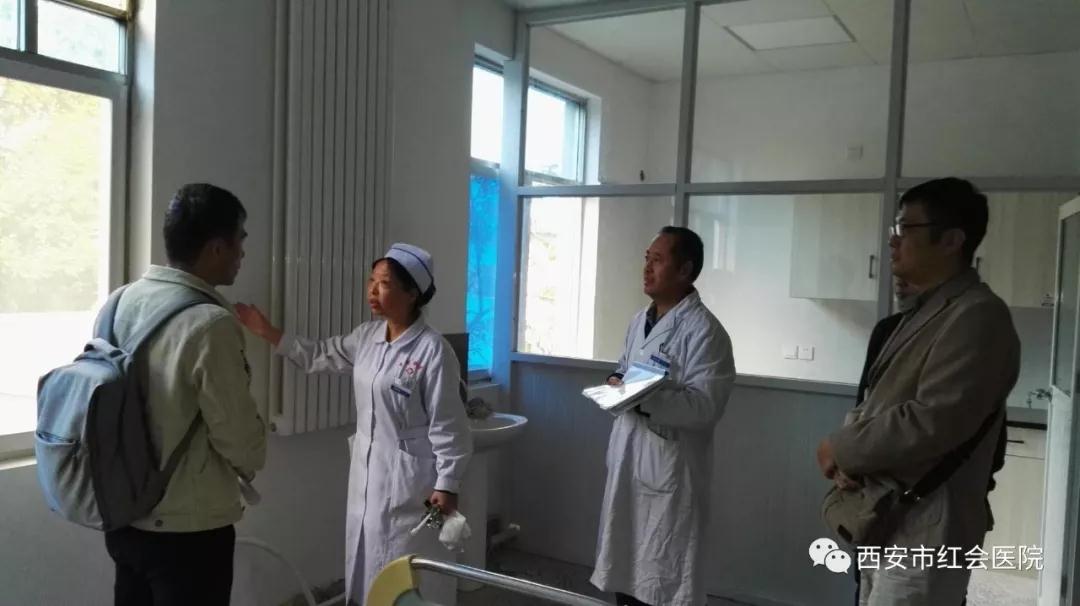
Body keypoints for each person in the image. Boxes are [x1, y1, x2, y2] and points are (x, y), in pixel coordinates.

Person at [816, 178, 1020, 606]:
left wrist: (842, 448)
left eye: (905, 228)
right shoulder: (923, 311)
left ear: (951, 241)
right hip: (887, 514)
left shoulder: (979, 315)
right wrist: (850, 459)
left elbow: (933, 420)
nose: (893, 241)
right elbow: (876, 398)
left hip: (926, 526)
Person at [236, 242, 472, 606]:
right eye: (371, 281)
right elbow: (318, 355)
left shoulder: (432, 351)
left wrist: (448, 483)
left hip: (414, 485)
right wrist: (268, 332)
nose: (372, 290)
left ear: (412, 293)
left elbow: (449, 426)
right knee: (366, 558)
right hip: (369, 476)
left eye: (385, 283)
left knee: (409, 572)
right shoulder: (367, 337)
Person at [104, 183, 268, 606]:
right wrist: (255, 452)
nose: (242, 253)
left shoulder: (119, 302)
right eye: (240, 240)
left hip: (122, 515)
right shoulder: (210, 323)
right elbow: (238, 438)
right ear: (216, 248)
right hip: (187, 530)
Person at [590, 226, 736, 606]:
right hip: (629, 457)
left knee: (663, 580)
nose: (646, 268)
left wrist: (642, 398)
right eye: (646, 259)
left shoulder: (705, 332)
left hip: (669, 471)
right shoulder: (639, 320)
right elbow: (625, 368)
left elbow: (705, 407)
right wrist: (617, 382)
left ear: (685, 270)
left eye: (657, 260)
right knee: (625, 569)